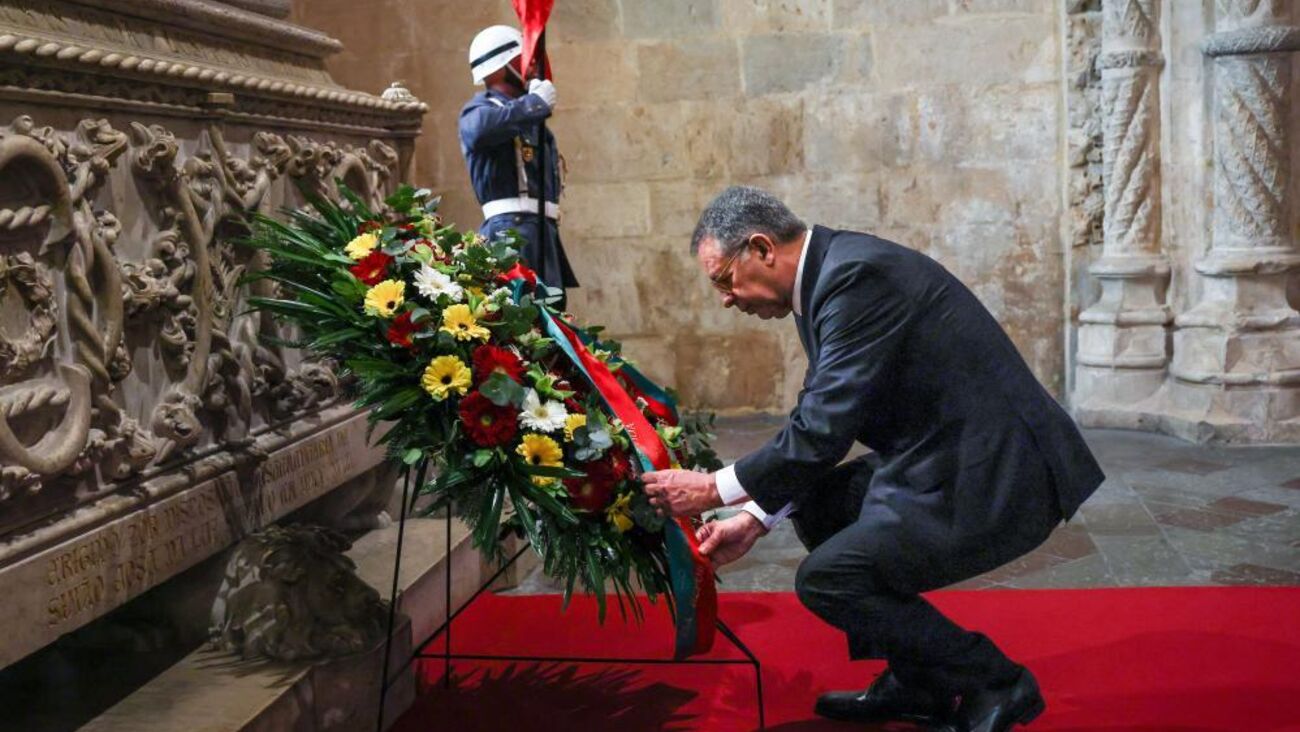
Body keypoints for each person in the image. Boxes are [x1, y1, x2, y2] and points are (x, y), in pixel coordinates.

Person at [642, 187, 1104, 731]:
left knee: (829, 579)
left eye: (725, 280)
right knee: (820, 505)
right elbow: (819, 414)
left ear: (762, 248)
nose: (726, 298)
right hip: (946, 452)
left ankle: (996, 680)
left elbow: (822, 432)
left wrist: (711, 489)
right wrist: (754, 518)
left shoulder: (856, 278)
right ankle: (920, 682)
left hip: (1002, 470)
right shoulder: (829, 276)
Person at [459, 25, 578, 307]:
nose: (532, 65)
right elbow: (478, 130)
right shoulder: (482, 109)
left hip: (541, 232)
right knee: (521, 319)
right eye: (523, 58)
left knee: (553, 324)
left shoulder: (523, 115)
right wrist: (533, 104)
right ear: (500, 65)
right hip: (511, 233)